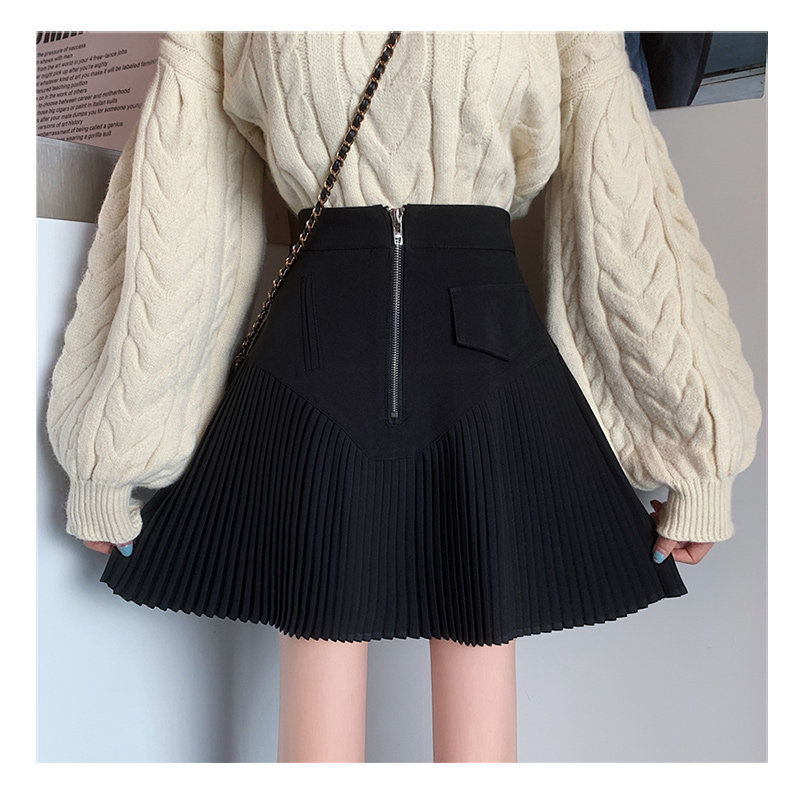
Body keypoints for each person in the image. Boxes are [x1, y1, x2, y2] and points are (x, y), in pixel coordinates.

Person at [44, 31, 763, 762]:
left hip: (470, 360)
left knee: (452, 657)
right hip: (327, 361)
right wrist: (111, 453)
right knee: (341, 660)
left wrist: (694, 450)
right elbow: (182, 215)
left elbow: (618, 209)